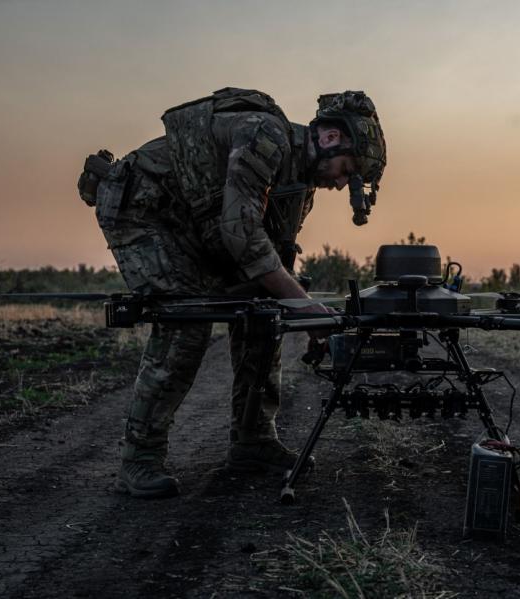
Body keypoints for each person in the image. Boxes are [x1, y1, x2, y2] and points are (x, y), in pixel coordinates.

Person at [77, 88, 386, 498]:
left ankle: (253, 441)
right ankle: (140, 458)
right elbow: (242, 236)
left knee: (265, 315)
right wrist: (305, 308)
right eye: (346, 170)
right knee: (186, 320)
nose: (341, 183)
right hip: (145, 210)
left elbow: (275, 257)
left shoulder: (300, 184)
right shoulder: (264, 134)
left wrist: (299, 311)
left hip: (200, 227)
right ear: (330, 138)